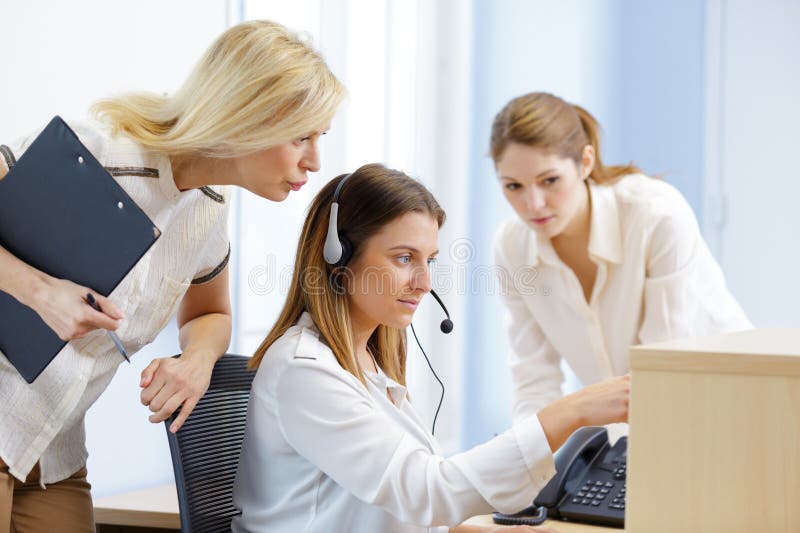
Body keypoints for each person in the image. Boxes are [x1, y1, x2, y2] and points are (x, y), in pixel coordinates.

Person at [0, 20, 345, 533]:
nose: (315, 161)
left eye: (319, 138)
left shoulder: (208, 207)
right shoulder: (100, 153)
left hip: (52, 452)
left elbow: (210, 312)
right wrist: (42, 292)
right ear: (245, 116)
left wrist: (198, 361)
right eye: (302, 137)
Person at [232, 163, 630, 533]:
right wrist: (569, 413)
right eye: (404, 258)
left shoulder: (366, 363)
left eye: (430, 260)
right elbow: (425, 492)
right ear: (338, 257)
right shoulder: (305, 372)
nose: (424, 282)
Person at [490, 92, 751, 425]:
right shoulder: (512, 247)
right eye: (513, 186)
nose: (533, 203)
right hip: (645, 428)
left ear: (585, 162)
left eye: (550, 180)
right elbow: (534, 384)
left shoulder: (656, 216)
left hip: (733, 405)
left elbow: (663, 372)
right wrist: (530, 464)